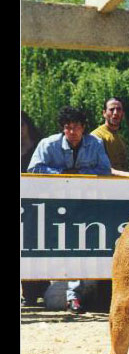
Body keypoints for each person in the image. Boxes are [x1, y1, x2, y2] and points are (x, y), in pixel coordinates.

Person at [27, 106, 112, 313]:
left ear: (84, 128)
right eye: (67, 128)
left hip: (85, 207)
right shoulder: (48, 144)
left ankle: (74, 296)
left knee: (80, 248)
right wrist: (62, 173)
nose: (72, 132)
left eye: (76, 127)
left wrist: (80, 173)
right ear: (62, 129)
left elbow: (105, 170)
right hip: (51, 207)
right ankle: (34, 291)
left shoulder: (96, 144)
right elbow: (33, 169)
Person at [21, 111, 50, 306]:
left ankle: (42, 286)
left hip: (37, 202)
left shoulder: (39, 147)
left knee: (37, 244)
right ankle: (28, 292)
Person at [91, 97, 129, 177]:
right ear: (104, 113)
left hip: (122, 184)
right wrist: (127, 175)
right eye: (111, 109)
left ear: (123, 114)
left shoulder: (120, 138)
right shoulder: (96, 136)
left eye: (119, 109)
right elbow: (100, 168)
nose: (115, 113)